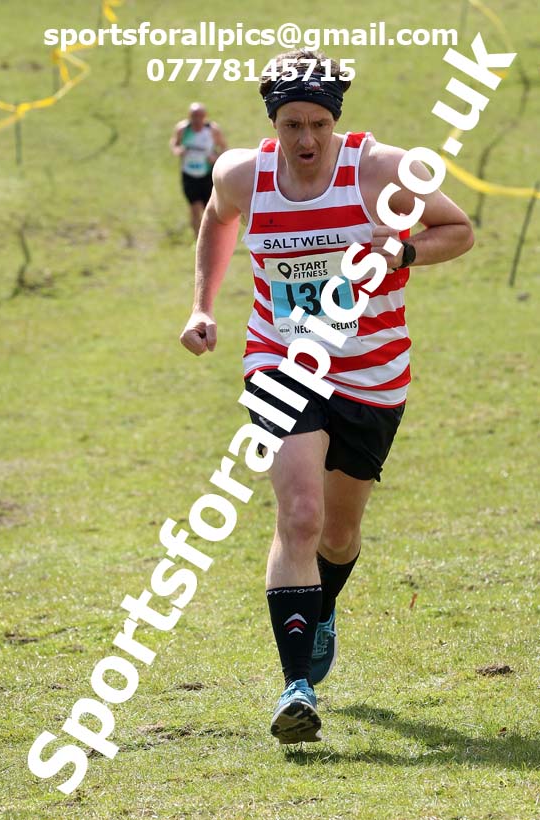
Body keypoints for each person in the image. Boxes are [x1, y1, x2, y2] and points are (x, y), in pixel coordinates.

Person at [180, 50, 474, 745]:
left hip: (372, 372)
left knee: (339, 534)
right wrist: (200, 306)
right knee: (301, 514)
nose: (305, 140)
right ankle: (295, 688)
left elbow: (457, 230)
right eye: (290, 126)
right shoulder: (240, 174)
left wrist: (401, 254)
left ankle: (319, 612)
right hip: (280, 360)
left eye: (316, 124)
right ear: (272, 125)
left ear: (335, 121)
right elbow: (218, 221)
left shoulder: (380, 170)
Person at [170, 102, 227, 237]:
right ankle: (198, 239)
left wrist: (215, 157)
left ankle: (213, 237)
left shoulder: (212, 130)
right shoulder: (183, 129)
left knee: (210, 208)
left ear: (205, 116)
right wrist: (177, 150)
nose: (197, 119)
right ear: (189, 116)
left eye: (200, 116)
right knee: (195, 208)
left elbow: (224, 147)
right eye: (194, 116)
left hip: (207, 174)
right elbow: (174, 143)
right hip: (189, 174)